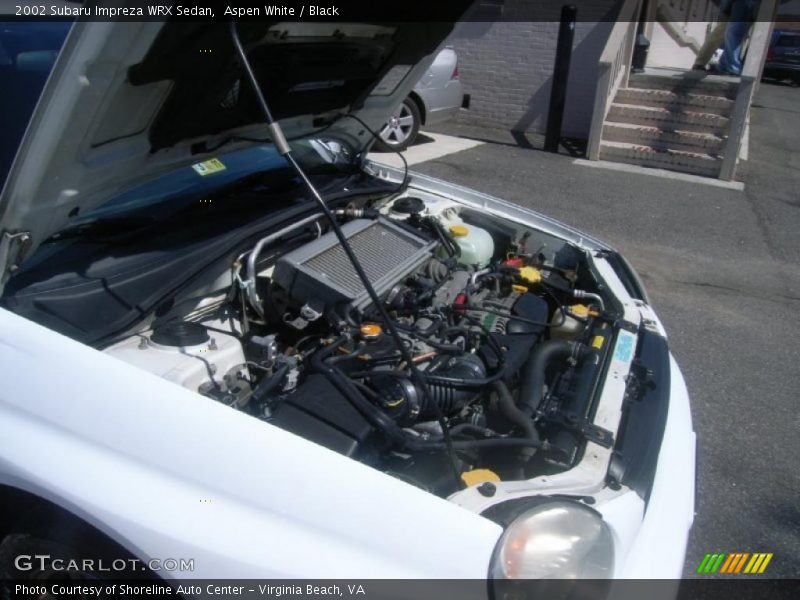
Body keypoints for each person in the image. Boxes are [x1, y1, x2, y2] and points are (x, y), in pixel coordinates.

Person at [714, 0, 760, 75]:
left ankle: (733, 67)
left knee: (732, 36)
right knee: (732, 37)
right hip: (747, 9)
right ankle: (724, 64)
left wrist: (724, 10)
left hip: (742, 9)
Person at [693, 0, 733, 70]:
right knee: (721, 32)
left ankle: (700, 63)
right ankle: (700, 63)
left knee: (722, 33)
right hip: (732, 8)